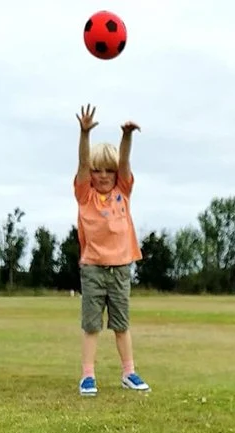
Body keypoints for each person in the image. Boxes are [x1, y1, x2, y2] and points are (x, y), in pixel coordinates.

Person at [74, 103, 149, 396]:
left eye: (109, 170)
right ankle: (88, 376)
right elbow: (82, 165)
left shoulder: (123, 192)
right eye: (97, 170)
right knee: (91, 325)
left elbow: (126, 164)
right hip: (93, 267)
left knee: (121, 325)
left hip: (120, 268)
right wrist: (84, 134)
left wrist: (126, 137)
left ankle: (128, 372)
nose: (103, 175)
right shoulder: (85, 195)